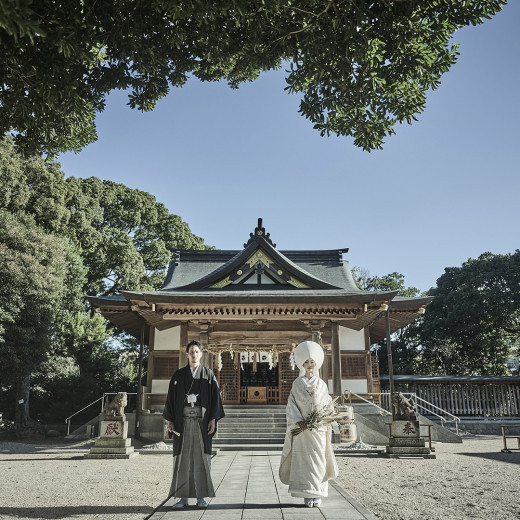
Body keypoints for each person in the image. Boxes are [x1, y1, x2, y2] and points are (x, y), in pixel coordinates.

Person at [163, 340, 225, 509]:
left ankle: (201, 497)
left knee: (202, 460)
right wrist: (170, 420)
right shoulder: (178, 375)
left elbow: (215, 400)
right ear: (187, 354)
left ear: (201, 354)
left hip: (201, 423)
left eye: (197, 351)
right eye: (191, 352)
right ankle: (182, 498)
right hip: (182, 423)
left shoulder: (208, 374)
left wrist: (212, 419)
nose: (194, 354)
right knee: (182, 460)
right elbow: (170, 398)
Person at [279, 341, 338, 507]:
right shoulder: (297, 384)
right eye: (307, 362)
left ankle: (318, 493)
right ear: (302, 364)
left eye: (312, 362)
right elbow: (291, 404)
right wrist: (298, 421)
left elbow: (328, 405)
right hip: (302, 429)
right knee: (303, 461)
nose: (310, 365)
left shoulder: (322, 385)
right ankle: (306, 494)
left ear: (316, 364)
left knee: (319, 460)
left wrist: (324, 419)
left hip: (318, 429)